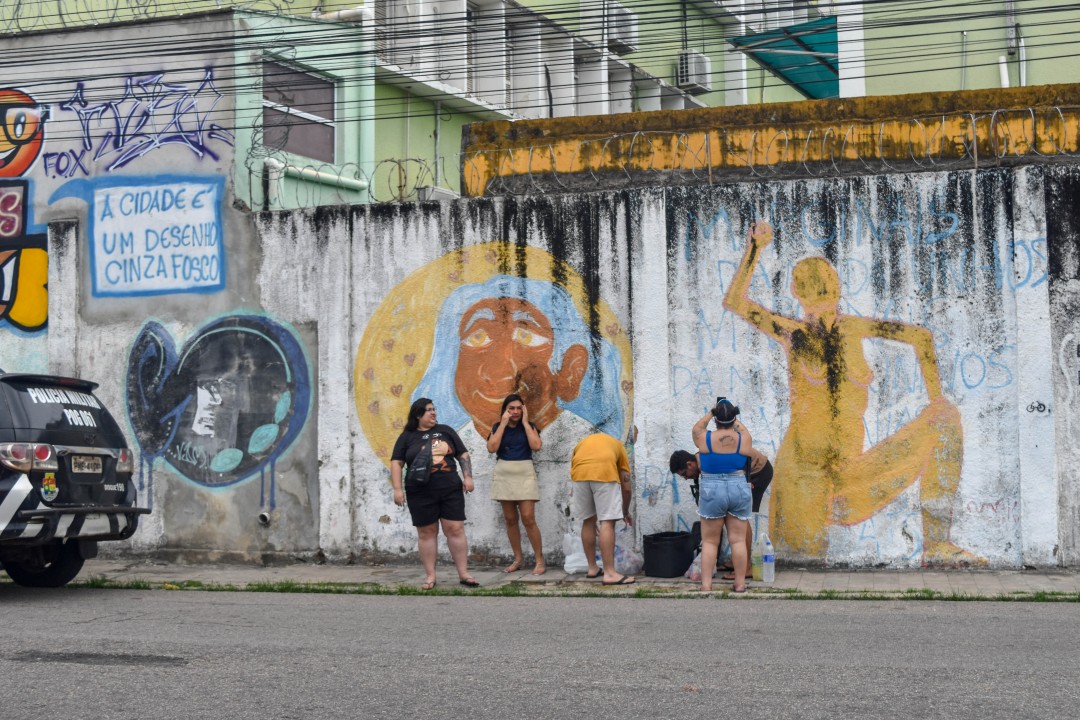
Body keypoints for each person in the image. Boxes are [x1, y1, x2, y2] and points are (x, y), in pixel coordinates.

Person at [724, 221, 975, 564]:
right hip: (804, 476)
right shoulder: (794, 333)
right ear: (801, 291)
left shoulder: (853, 329)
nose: (823, 291)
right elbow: (736, 301)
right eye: (818, 285)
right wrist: (754, 249)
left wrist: (937, 401)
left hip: (848, 477)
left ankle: (938, 546)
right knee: (802, 568)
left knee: (945, 419)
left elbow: (922, 338)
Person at [390, 397, 478, 590]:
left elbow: (462, 454)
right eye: (429, 410)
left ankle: (463, 574)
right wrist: (397, 489)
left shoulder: (445, 431)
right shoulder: (407, 437)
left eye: (434, 409)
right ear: (418, 415)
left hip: (450, 489)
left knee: (455, 529)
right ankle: (430, 576)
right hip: (419, 492)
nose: (433, 413)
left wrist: (468, 477)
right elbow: (396, 462)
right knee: (426, 533)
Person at [670, 437, 773, 580]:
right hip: (745, 472)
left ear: (690, 464)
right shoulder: (701, 463)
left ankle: (747, 567)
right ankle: (737, 561)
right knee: (731, 515)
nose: (686, 478)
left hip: (758, 471)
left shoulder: (707, 464)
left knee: (740, 518)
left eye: (684, 474)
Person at [690, 398, 755, 592]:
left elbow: (697, 428)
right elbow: (742, 429)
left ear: (716, 420)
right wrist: (733, 417)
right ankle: (740, 584)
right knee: (737, 540)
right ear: (733, 418)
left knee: (710, 541)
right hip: (738, 485)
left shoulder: (704, 438)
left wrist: (712, 412)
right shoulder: (744, 439)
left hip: (712, 487)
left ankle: (706, 585)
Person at [486, 393, 545, 575]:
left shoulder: (530, 426)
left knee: (528, 518)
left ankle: (539, 560)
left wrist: (526, 423)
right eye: (511, 408)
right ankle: (518, 559)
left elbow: (536, 446)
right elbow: (492, 448)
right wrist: (503, 424)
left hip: (524, 473)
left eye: (519, 408)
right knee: (511, 520)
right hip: (504, 474)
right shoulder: (498, 426)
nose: (515, 412)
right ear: (505, 410)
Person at [569, 432, 634, 586]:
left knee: (588, 521)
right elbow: (626, 488)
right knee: (607, 522)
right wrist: (625, 511)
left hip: (579, 476)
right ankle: (610, 573)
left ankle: (592, 568)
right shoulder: (618, 446)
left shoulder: (583, 442)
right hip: (604, 472)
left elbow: (573, 465)